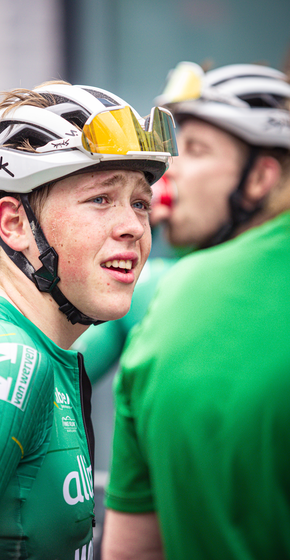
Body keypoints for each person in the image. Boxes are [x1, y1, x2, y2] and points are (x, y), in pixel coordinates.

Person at [0, 81, 178, 560]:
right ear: (14, 224)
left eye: (140, 202)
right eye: (101, 199)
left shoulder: (35, 353)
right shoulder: (4, 362)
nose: (133, 225)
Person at [102, 62, 290, 559]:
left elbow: (132, 551)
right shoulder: (170, 286)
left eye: (198, 151)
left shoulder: (163, 301)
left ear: (260, 178)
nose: (171, 170)